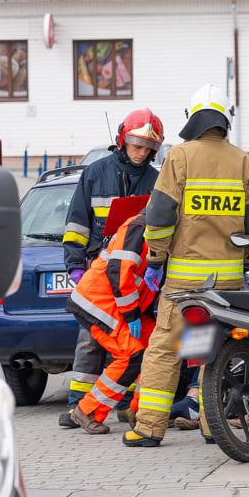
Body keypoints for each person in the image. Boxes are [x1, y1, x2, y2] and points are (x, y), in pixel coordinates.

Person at [123, 83, 249, 447]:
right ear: (224, 118)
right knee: (216, 350)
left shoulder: (180, 156)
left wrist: (156, 255)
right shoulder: (243, 159)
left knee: (168, 349)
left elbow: (160, 213)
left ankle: (149, 428)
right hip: (230, 281)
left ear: (192, 117)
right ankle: (211, 424)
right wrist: (247, 255)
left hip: (185, 280)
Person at [59, 109, 163, 428]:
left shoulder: (155, 179)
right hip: (99, 268)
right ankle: (80, 403)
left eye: (147, 147)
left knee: (131, 345)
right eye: (135, 144)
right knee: (92, 341)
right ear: (122, 139)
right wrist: (75, 266)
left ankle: (121, 404)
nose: (141, 152)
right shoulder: (95, 173)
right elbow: (77, 224)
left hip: (130, 271)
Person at [65, 211, 158, 434]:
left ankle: (142, 412)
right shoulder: (139, 227)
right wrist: (132, 315)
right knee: (130, 356)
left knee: (156, 348)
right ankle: (87, 410)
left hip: (124, 305)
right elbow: (119, 272)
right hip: (100, 303)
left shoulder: (156, 226)